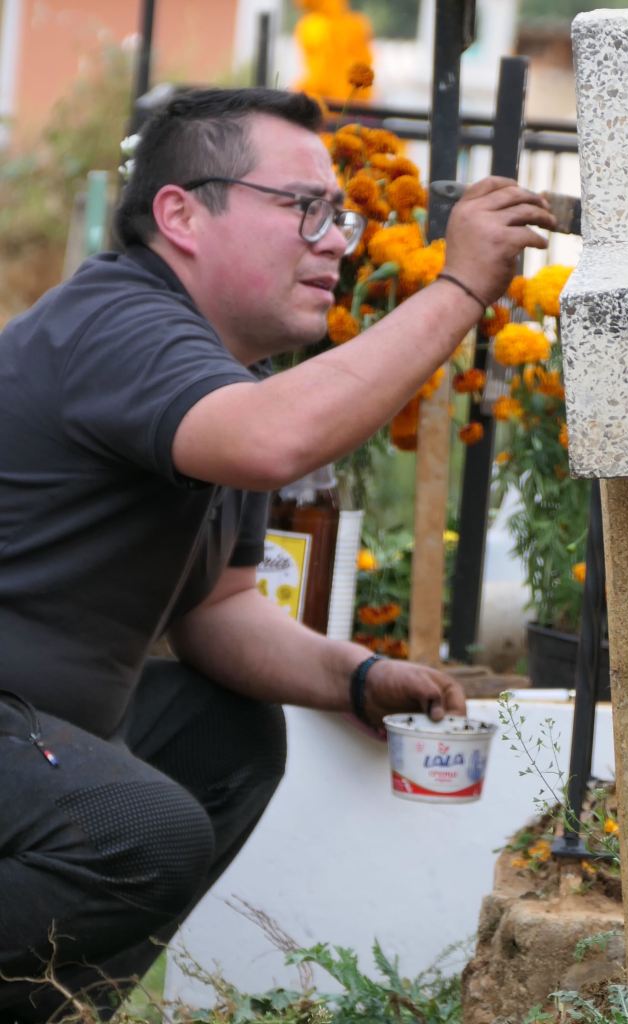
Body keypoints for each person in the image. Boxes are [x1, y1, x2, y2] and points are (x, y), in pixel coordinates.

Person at [0, 87, 555, 1020]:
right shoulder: (118, 321)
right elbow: (274, 441)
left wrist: (355, 674)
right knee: (141, 832)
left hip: (32, 732)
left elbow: (217, 610)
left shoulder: (226, 376)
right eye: (304, 208)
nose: (334, 240)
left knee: (226, 733)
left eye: (336, 214)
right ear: (180, 215)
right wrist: (458, 289)